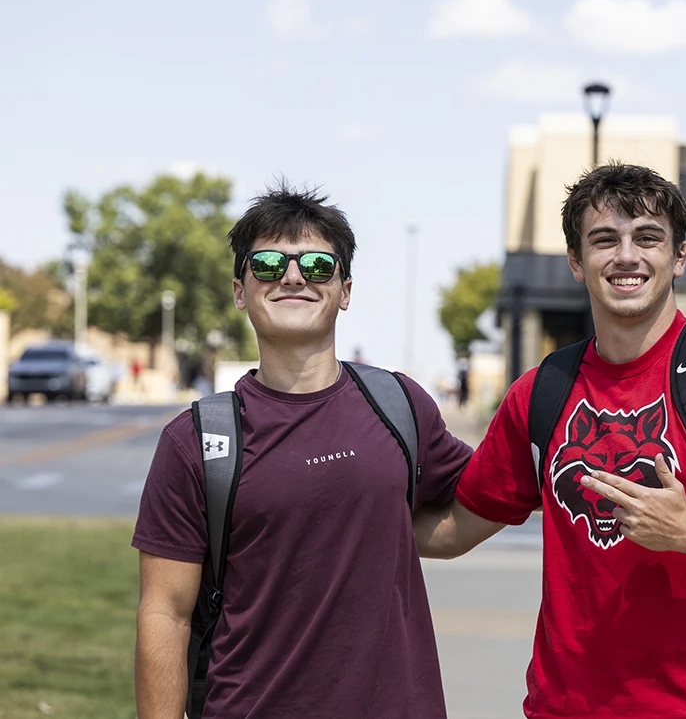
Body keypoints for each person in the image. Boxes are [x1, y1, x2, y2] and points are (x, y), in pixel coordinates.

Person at [414, 162, 686, 719]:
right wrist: (323, 519)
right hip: (564, 709)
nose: (627, 256)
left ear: (679, 257)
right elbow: (456, 529)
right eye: (604, 240)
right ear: (577, 262)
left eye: (648, 238)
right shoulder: (540, 393)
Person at [132, 184, 472, 719]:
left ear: (345, 289)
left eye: (317, 264)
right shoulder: (195, 441)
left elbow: (466, 511)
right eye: (267, 264)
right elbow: (165, 614)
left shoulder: (400, 405)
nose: (293, 277)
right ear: (241, 290)